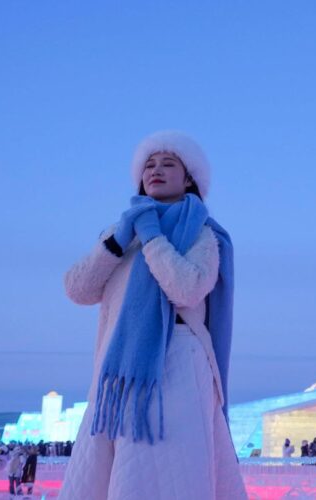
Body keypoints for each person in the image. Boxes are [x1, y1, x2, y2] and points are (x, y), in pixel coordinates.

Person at [59, 131, 247, 500]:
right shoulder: (119, 234)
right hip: (120, 371)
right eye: (149, 164)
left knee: (172, 470)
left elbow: (188, 289)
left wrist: (153, 237)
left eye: (168, 163)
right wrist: (116, 242)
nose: (155, 170)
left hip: (179, 363)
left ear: (189, 177)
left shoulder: (201, 234)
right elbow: (78, 290)